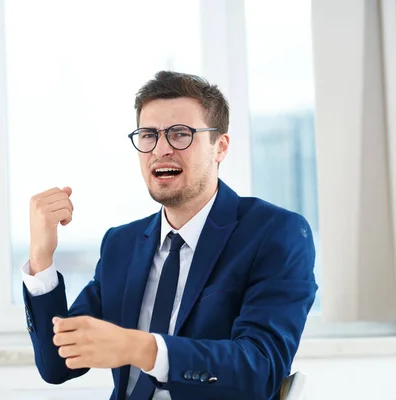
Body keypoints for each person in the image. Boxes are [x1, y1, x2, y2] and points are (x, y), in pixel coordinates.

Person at [21, 71, 317, 400]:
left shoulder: (274, 233)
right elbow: (58, 366)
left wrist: (142, 348)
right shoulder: (122, 244)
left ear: (220, 147)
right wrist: (41, 260)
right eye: (148, 135)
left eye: (180, 134)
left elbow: (259, 370)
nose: (161, 149)